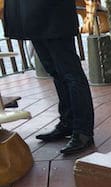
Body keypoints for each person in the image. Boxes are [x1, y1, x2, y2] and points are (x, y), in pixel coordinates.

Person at [3, 0, 95, 155]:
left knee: (70, 73)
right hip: (32, 13)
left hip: (52, 10)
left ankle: (83, 131)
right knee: (55, 71)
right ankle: (68, 123)